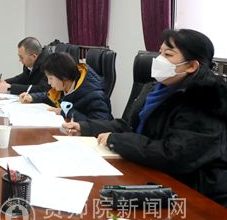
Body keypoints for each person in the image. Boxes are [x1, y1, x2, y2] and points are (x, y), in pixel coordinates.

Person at [63, 29, 227, 206]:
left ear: (191, 66)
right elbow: (129, 126)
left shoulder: (205, 100)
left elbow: (174, 155)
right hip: (153, 174)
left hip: (195, 195)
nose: (159, 59)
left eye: (168, 54)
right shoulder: (155, 89)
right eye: (160, 52)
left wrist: (116, 141)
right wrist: (86, 127)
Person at [20, 52, 112, 121]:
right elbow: (50, 96)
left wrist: (65, 112)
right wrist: (32, 97)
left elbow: (101, 124)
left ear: (63, 76)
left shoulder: (93, 95)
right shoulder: (65, 86)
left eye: (51, 78)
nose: (48, 82)